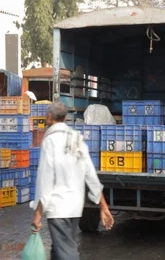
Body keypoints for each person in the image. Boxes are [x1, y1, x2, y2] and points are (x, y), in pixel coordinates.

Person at [30, 102, 115, 260]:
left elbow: (45, 178)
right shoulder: (77, 139)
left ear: (49, 117)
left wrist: (38, 213)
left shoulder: (50, 141)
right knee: (59, 249)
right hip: (75, 207)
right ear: (66, 117)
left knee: (66, 252)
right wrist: (103, 206)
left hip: (57, 207)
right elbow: (90, 174)